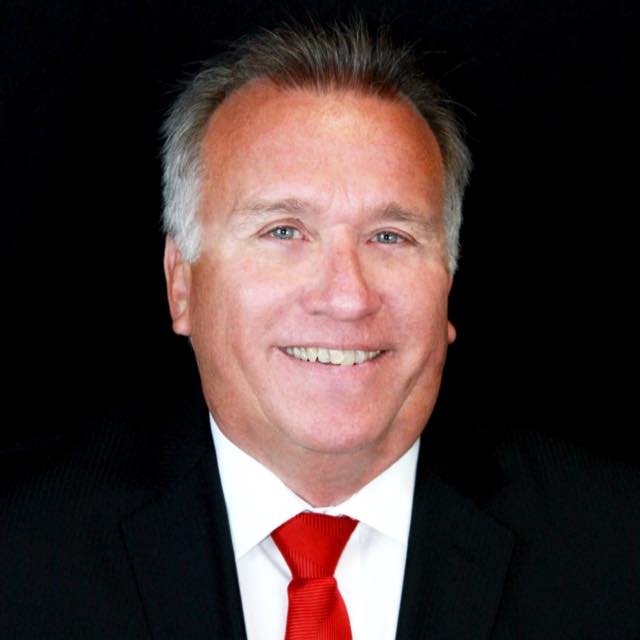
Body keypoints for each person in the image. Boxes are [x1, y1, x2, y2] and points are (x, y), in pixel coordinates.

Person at [1, 18, 638, 640]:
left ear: (447, 283)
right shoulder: (21, 548)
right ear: (181, 284)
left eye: (390, 236)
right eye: (284, 231)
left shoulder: (617, 548)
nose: (347, 297)